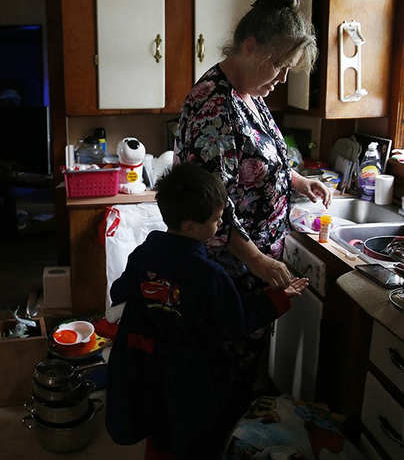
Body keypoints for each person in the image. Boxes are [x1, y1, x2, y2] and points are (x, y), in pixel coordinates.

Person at [105, 163, 308, 460]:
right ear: (190, 226)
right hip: (193, 378)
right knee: (194, 438)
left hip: (147, 367)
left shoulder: (143, 256)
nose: (219, 224)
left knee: (159, 428)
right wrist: (276, 298)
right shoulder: (208, 274)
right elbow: (235, 321)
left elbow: (119, 292)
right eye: (215, 220)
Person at [177, 0, 330, 291]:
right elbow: (210, 206)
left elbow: (260, 155)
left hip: (252, 266)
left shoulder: (249, 92)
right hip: (227, 273)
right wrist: (258, 260)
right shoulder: (214, 106)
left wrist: (297, 180)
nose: (284, 78)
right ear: (250, 48)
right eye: (278, 65)